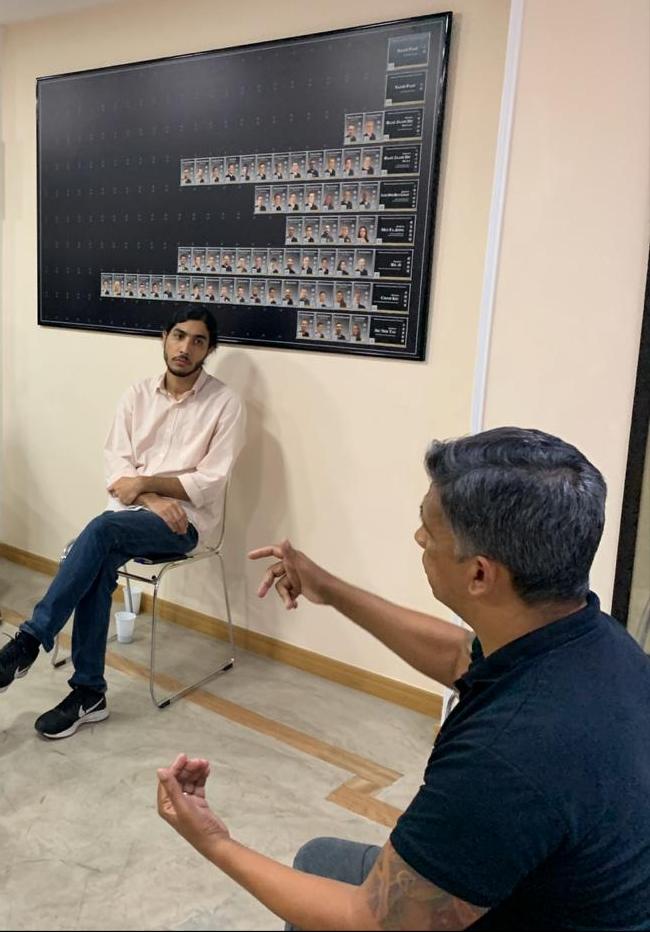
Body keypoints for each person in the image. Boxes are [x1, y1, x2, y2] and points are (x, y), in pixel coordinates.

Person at [156, 427, 650, 930]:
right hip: (547, 885)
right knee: (321, 859)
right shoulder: (594, 640)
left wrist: (213, 841)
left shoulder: (504, 758)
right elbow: (459, 656)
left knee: (324, 891)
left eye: (429, 531)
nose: (419, 539)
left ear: (480, 574)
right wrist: (329, 589)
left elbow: (370, 920)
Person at [0, 309, 245, 740]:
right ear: (164, 337)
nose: (186, 348)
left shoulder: (225, 404)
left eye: (198, 341)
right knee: (100, 556)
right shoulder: (136, 395)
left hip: (184, 525)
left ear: (210, 350)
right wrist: (149, 496)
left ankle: (28, 643)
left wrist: (145, 484)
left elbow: (210, 481)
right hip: (130, 514)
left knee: (100, 532)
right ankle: (88, 694)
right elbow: (117, 468)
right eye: (179, 336)